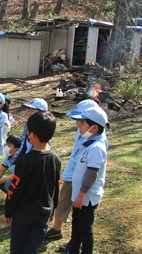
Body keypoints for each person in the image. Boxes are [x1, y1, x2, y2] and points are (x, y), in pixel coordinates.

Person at [2, 111, 61, 254]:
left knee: (18, 245)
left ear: (32, 134)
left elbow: (15, 189)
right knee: (32, 251)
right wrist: (53, 210)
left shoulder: (25, 161)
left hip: (24, 214)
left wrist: (8, 211)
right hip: (43, 213)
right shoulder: (55, 158)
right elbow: (55, 187)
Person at [55, 106, 108, 254]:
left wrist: (82, 193)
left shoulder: (97, 147)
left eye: (83, 123)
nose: (79, 125)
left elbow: (92, 174)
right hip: (78, 194)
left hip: (86, 197)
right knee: (76, 226)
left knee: (85, 229)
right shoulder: (87, 143)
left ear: (95, 127)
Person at [44, 100, 106, 246]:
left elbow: (93, 168)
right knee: (64, 201)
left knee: (82, 220)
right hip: (74, 173)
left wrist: (83, 190)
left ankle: (76, 246)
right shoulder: (83, 131)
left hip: (82, 181)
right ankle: (58, 230)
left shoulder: (98, 142)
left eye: (81, 122)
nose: (78, 126)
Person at [11, 98, 49, 163]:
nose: (29, 113)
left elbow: (47, 146)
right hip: (27, 159)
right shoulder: (27, 124)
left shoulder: (46, 127)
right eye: (29, 111)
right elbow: (23, 144)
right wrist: (16, 160)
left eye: (32, 111)